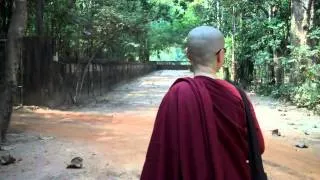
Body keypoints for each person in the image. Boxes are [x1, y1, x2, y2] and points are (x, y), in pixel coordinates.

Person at [140, 26, 265, 180]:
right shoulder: (236, 95)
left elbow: (161, 150)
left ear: (188, 55)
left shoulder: (176, 95)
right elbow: (257, 146)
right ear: (221, 56)